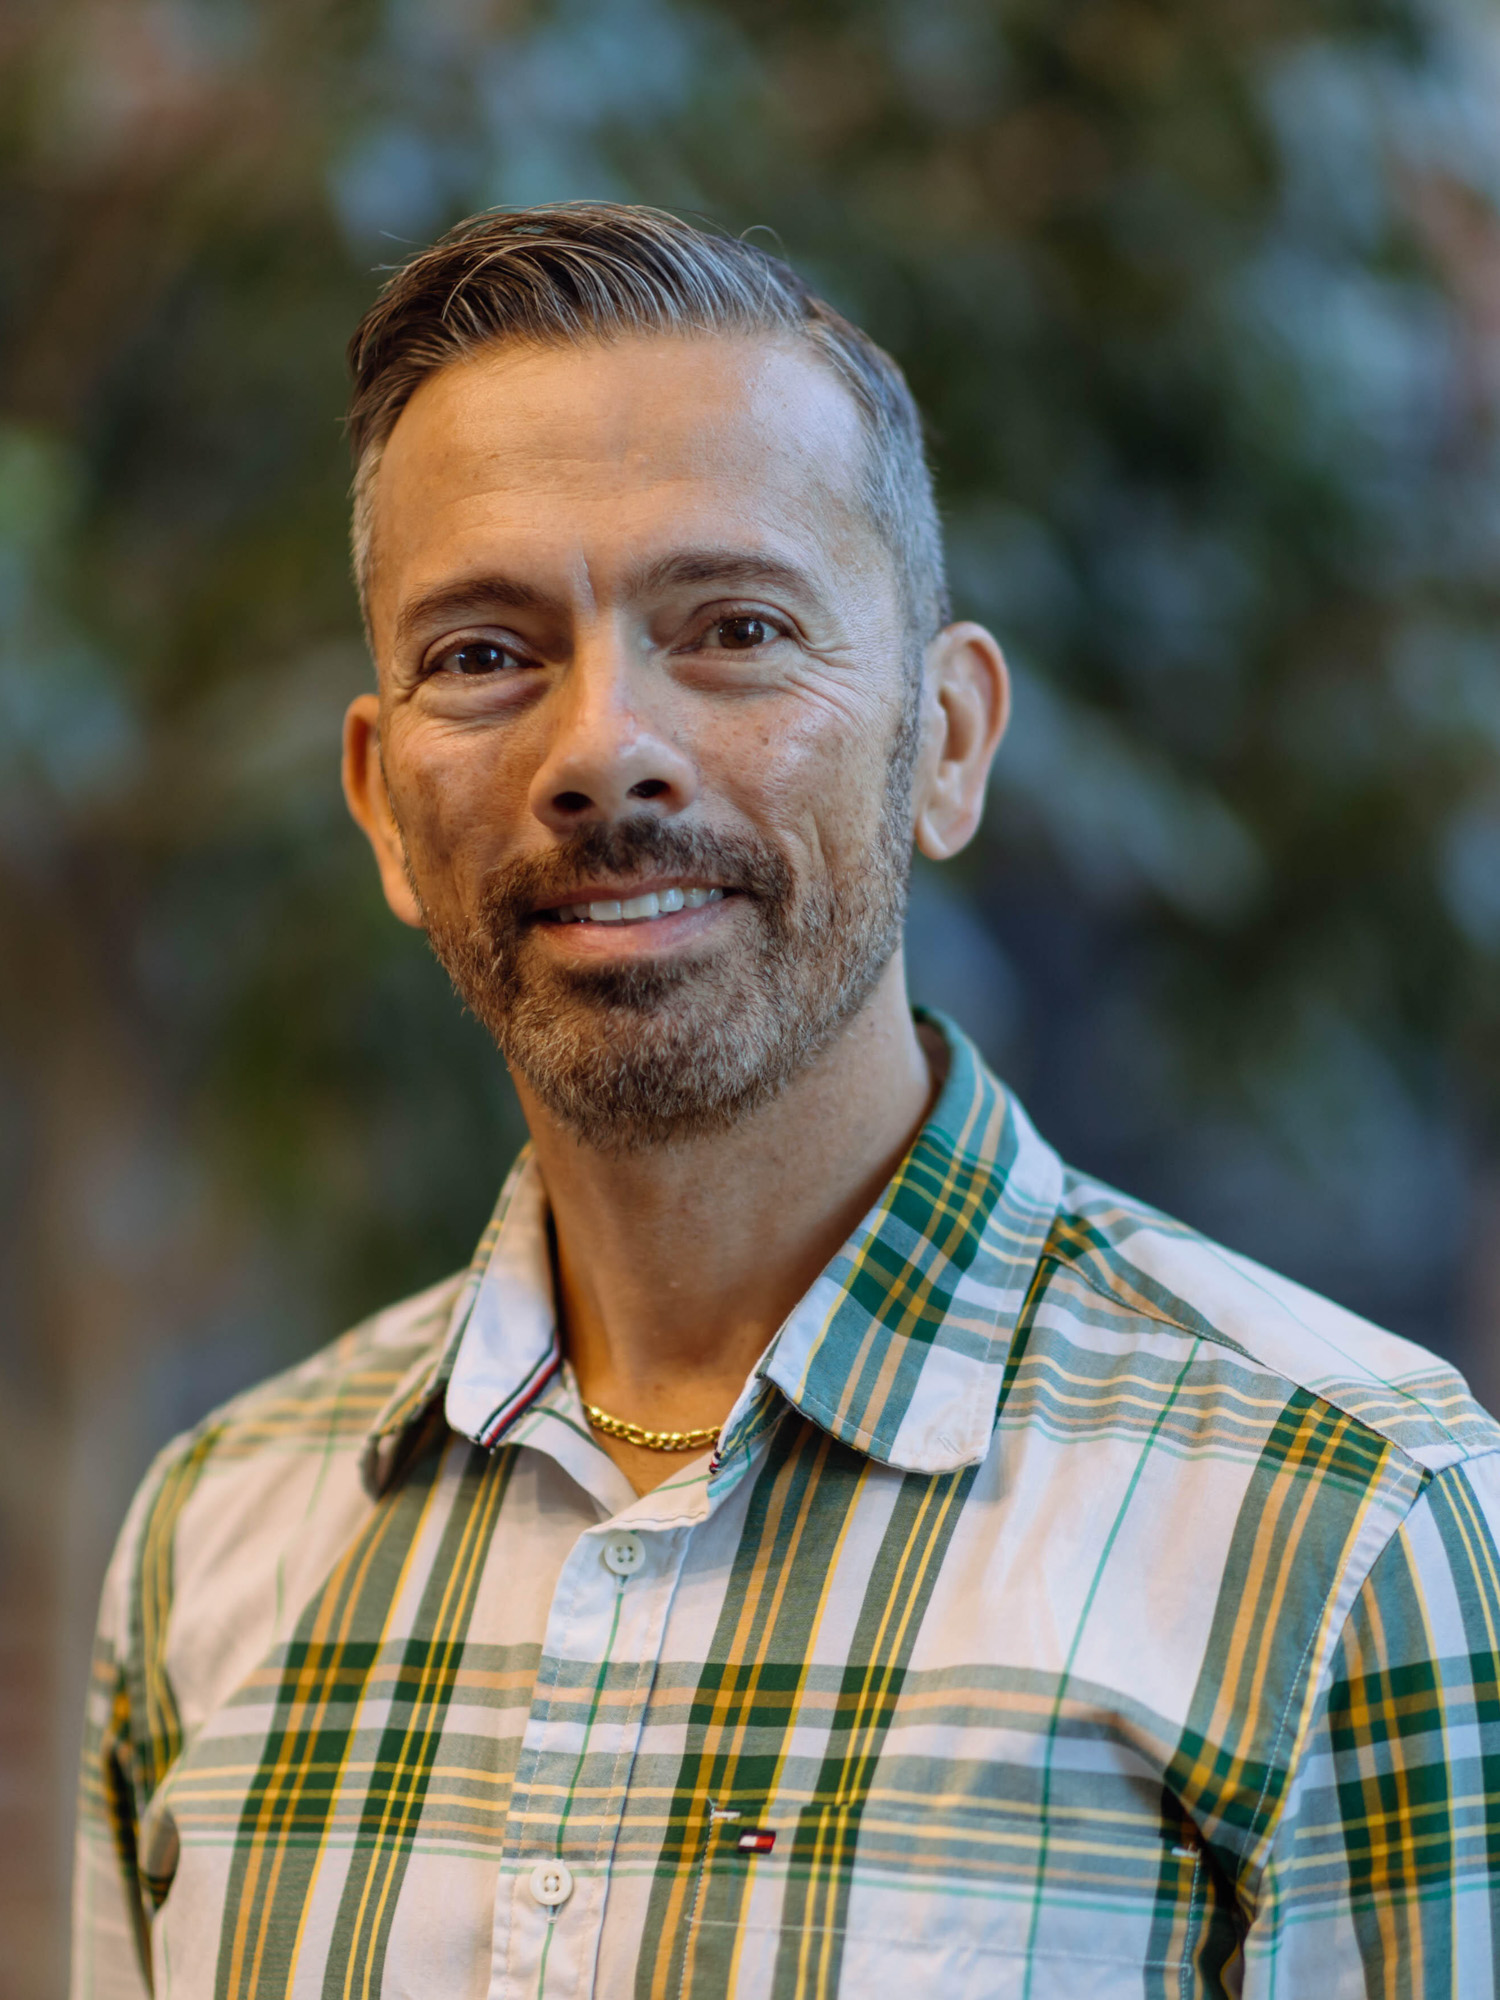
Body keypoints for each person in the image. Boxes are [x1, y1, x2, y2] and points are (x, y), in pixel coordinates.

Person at [72, 202, 1500, 2000]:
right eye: (483, 653)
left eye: (736, 626)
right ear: (380, 807)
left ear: (949, 741)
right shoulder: (222, 1537)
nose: (601, 752)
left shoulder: (1340, 1520)